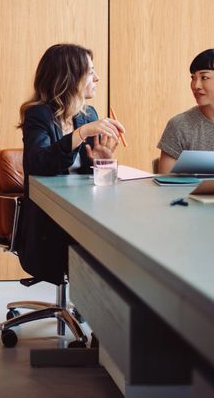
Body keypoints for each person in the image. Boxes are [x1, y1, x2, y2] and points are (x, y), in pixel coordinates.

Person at [16, 43, 124, 284]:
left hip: (84, 211)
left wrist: (103, 162)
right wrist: (80, 134)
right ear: (69, 77)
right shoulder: (38, 115)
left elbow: (89, 177)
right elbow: (39, 164)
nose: (97, 78)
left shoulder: (88, 114)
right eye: (90, 72)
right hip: (49, 217)